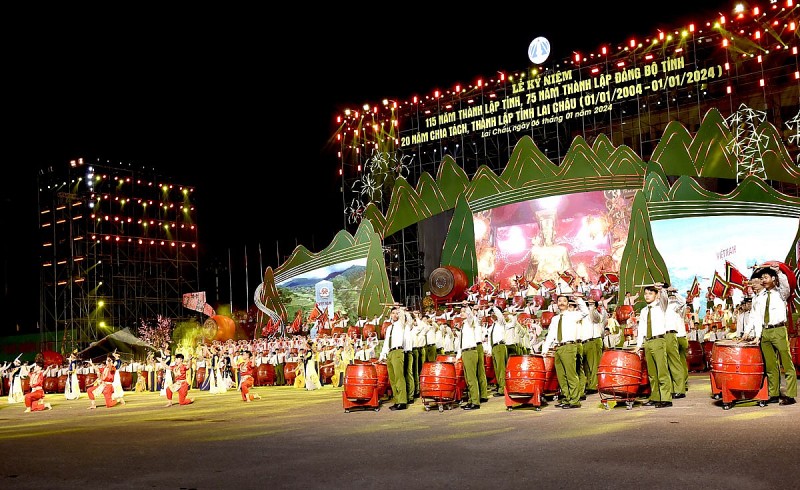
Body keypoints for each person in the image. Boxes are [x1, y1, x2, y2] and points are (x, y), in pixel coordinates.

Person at [751, 266, 796, 405]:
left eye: (765, 277)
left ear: (773, 279)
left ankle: (790, 395)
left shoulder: (781, 293)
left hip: (779, 330)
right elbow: (757, 318)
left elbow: (785, 285)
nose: (763, 280)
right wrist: (757, 335)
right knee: (771, 366)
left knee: (786, 364)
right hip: (765, 332)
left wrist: (777, 271)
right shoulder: (760, 297)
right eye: (762, 278)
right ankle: (774, 393)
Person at [540, 294, 591, 408]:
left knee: (571, 375)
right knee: (561, 376)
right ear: (557, 303)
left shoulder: (573, 315)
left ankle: (574, 400)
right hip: (558, 347)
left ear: (568, 303)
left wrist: (578, 299)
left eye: (564, 301)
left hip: (569, 346)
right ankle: (567, 398)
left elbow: (585, 312)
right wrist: (545, 349)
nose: (561, 303)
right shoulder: (555, 318)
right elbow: (551, 335)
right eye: (559, 301)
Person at [634, 284, 672, 408]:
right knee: (652, 372)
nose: (647, 296)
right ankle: (655, 397)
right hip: (648, 342)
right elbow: (642, 329)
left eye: (650, 293)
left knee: (662, 370)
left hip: (658, 340)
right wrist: (639, 345)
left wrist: (661, 289)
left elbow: (665, 298)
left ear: (656, 295)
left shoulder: (661, 305)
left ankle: (666, 398)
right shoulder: (644, 310)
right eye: (646, 294)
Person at [524, 208, 575, 285]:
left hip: (559, 287)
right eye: (544, 231)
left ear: (554, 232)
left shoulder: (561, 250)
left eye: (549, 230)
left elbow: (570, 273)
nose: (547, 233)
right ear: (541, 234)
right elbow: (528, 278)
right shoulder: (536, 251)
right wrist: (533, 263)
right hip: (540, 288)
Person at [665, 287, 688, 398]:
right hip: (670, 336)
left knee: (680, 362)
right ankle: (677, 385)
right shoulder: (666, 307)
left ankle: (682, 384)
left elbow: (683, 301)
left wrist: (675, 292)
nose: (672, 298)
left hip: (680, 336)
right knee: (672, 363)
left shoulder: (678, 307)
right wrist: (664, 291)